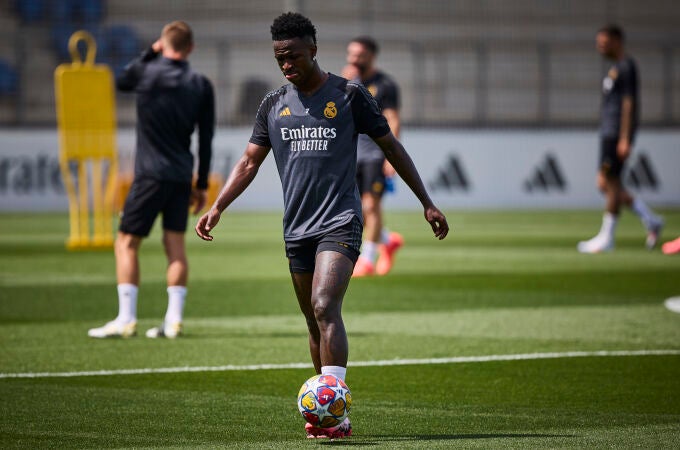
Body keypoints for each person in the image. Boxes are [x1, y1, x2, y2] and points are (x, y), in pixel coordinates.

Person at [194, 12, 448, 439]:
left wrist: (427, 202)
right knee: (313, 323)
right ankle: (330, 417)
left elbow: (392, 148)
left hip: (341, 220)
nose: (287, 65)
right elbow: (249, 161)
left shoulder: (350, 96)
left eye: (293, 56)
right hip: (297, 228)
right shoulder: (273, 104)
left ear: (312, 49)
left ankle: (337, 413)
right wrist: (218, 206)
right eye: (280, 59)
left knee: (325, 305)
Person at [88, 21, 215, 339]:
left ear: (163, 43)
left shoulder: (146, 74)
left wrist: (149, 53)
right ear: (191, 48)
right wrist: (200, 185)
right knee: (175, 246)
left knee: (127, 243)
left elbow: (121, 80)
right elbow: (206, 139)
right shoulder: (200, 84)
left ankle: (127, 318)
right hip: (180, 176)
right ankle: (173, 321)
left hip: (149, 175)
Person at [578, 24, 663, 254]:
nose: (600, 46)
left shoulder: (627, 67)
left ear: (617, 41)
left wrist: (625, 137)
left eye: (604, 42)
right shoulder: (614, 69)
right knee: (604, 183)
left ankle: (607, 237)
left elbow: (628, 103)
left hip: (616, 133)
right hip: (608, 132)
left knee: (612, 181)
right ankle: (651, 219)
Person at [342, 37, 404, 277]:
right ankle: (387, 241)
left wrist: (391, 156)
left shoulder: (385, 85)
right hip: (350, 155)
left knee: (371, 205)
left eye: (358, 55)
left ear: (371, 56)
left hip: (375, 155)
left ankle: (366, 260)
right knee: (358, 211)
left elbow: (393, 119)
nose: (353, 59)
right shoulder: (346, 81)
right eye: (351, 54)